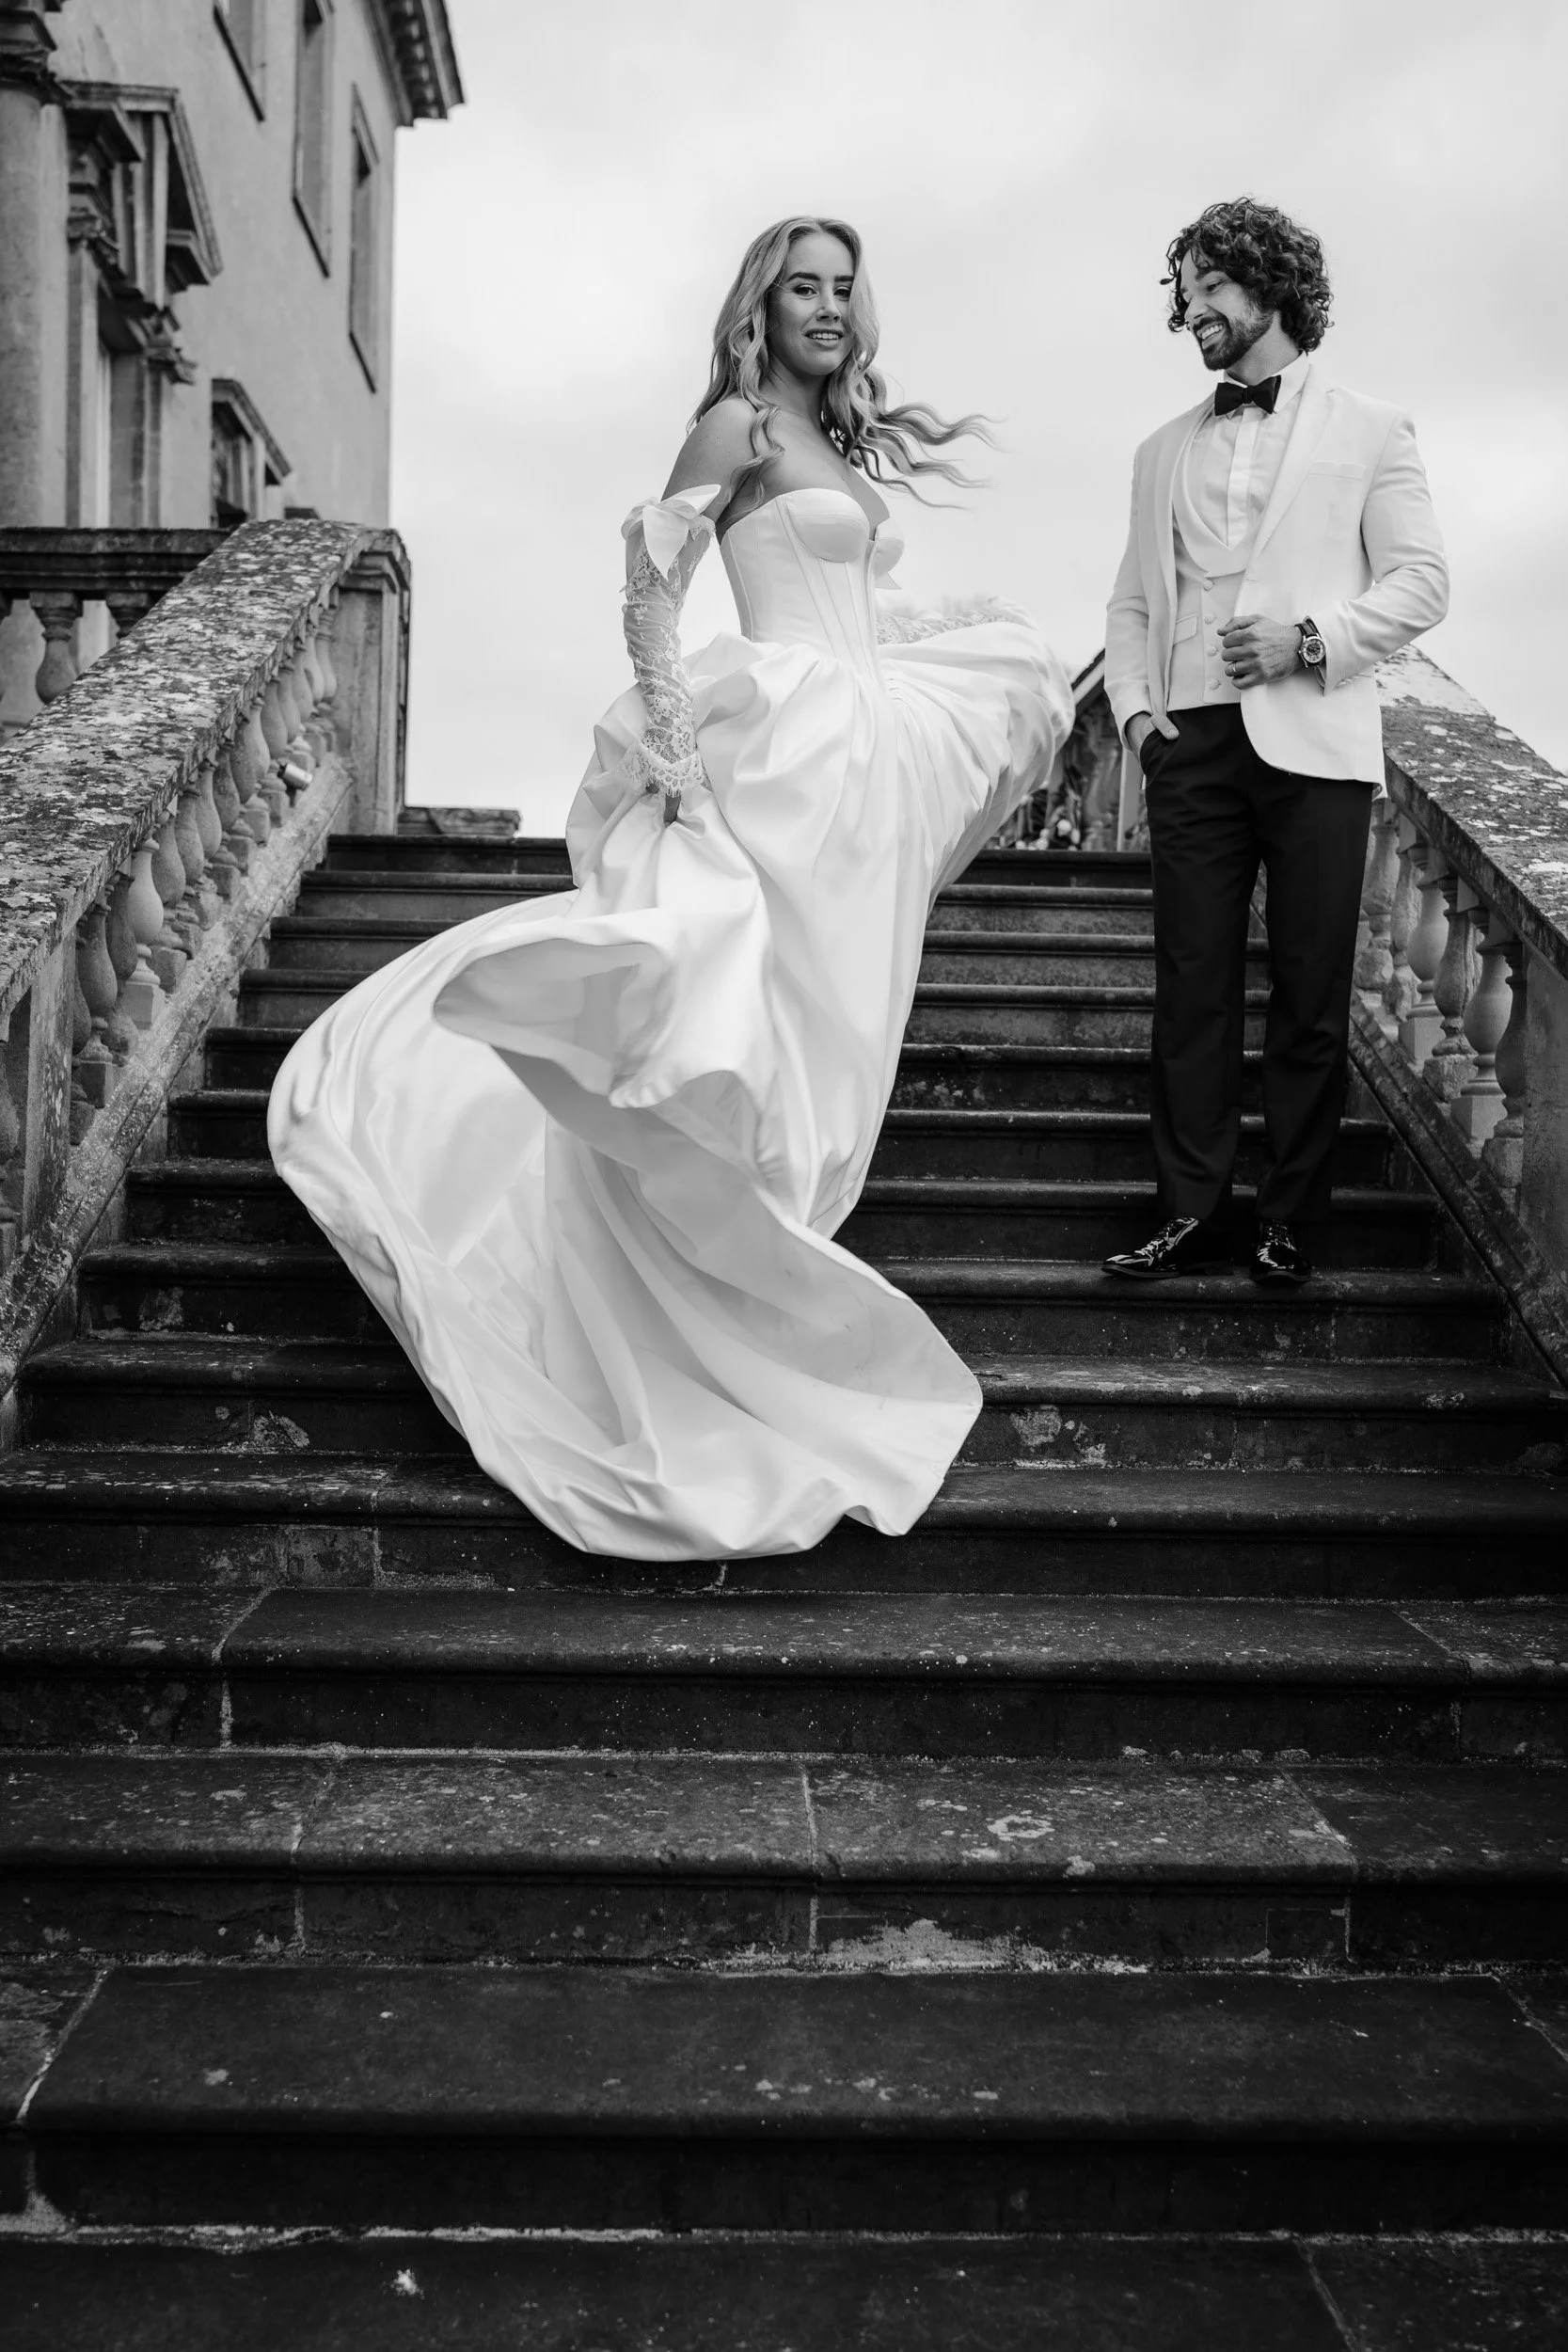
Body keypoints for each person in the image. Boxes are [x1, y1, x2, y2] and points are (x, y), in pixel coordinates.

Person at [268, 215, 1071, 1561]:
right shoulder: (736, 427)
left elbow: (869, 608)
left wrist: (972, 645)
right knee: (740, 1004)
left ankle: (758, 1263)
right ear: (760, 304)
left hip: (858, 770)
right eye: (801, 285)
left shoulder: (841, 445)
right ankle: (689, 1279)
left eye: (841, 287)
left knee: (831, 1030)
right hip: (777, 759)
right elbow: (652, 585)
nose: (825, 305)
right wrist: (678, 752)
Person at [1101, 197, 1448, 1287]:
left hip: (1313, 744)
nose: (1188, 306)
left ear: (1269, 288)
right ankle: (1188, 1210)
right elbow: (1126, 605)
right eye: (1182, 288)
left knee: (1307, 993)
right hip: (1190, 745)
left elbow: (1421, 583)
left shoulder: (1369, 426)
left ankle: (1288, 1219)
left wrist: (1310, 639)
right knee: (1188, 986)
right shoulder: (1159, 449)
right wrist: (1137, 720)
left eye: (1209, 285)